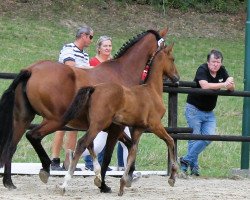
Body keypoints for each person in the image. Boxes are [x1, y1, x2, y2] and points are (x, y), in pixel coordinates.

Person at [180, 49, 235, 176]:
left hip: (209, 112)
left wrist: (230, 82)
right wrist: (223, 84)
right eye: (213, 61)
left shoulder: (222, 70)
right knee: (194, 139)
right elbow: (204, 86)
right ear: (208, 61)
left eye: (218, 62)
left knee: (208, 137)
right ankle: (192, 169)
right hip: (194, 109)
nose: (215, 64)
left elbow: (231, 87)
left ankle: (185, 160)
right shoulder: (202, 69)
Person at [51, 25, 94, 171]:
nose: (91, 41)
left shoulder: (85, 55)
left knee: (73, 128)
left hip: (77, 93)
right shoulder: (68, 48)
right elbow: (71, 66)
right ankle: (54, 160)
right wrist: (91, 69)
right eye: (91, 37)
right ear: (83, 35)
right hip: (63, 92)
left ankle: (67, 162)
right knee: (60, 126)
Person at [84, 35, 127, 171]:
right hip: (98, 102)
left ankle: (124, 166)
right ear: (99, 48)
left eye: (109, 45)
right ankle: (86, 159)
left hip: (113, 103)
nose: (108, 48)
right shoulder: (93, 62)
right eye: (105, 46)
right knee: (97, 135)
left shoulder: (113, 63)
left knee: (114, 135)